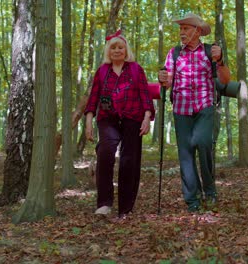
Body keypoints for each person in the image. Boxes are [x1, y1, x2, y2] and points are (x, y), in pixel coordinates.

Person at [158, 13, 231, 212]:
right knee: (186, 154)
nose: (182, 32)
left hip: (205, 106)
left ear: (197, 31)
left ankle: (210, 190)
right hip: (181, 108)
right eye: (181, 29)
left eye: (186, 28)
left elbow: (225, 80)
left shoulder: (210, 52)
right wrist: (163, 78)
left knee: (203, 142)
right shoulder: (174, 54)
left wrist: (221, 59)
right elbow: (167, 83)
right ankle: (192, 199)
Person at [84, 30, 155, 218]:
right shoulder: (102, 71)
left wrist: (147, 117)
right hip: (108, 118)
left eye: (120, 47)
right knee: (106, 152)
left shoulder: (135, 69)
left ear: (126, 50)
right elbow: (93, 99)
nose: (117, 51)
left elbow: (145, 96)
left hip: (133, 117)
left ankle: (126, 207)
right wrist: (89, 121)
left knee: (129, 160)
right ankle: (104, 203)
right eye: (113, 48)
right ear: (109, 51)